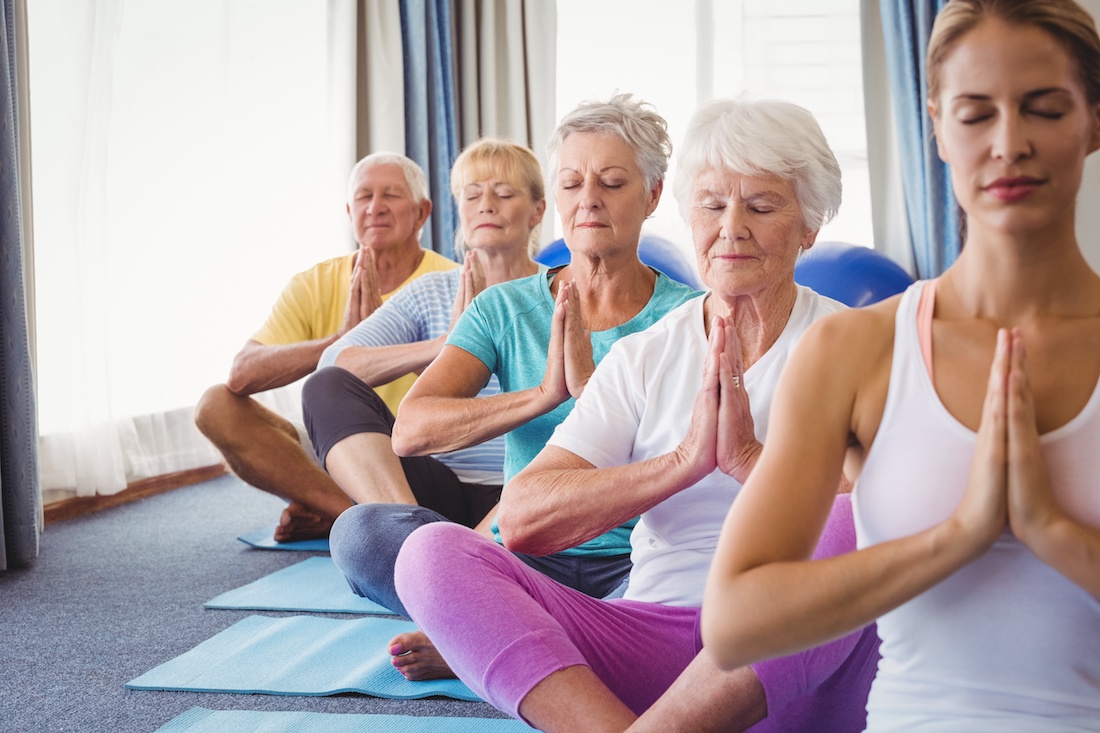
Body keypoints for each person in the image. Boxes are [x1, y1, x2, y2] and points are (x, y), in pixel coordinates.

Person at [392, 96, 881, 732]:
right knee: (428, 554)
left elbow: (893, 513)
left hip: (797, 652)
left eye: (761, 206)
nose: (731, 227)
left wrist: (748, 461)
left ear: (809, 227)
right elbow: (523, 521)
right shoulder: (646, 356)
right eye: (711, 205)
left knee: (855, 518)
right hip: (657, 637)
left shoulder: (861, 346)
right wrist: (681, 464)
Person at [702, 1, 1100, 730]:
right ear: (939, 127)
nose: (1009, 143)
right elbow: (733, 623)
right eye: (976, 113)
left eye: (1043, 108)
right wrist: (957, 536)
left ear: (1094, 120)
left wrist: (1051, 530)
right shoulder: (854, 351)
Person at [331, 93, 700, 677]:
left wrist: (592, 396)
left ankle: (490, 632)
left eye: (611, 182)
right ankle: (548, 630)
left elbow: (695, 456)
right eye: (573, 183)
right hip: (522, 556)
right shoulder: (505, 308)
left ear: (652, 196)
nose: (589, 200)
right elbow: (411, 431)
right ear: (555, 198)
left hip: (638, 561)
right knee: (360, 535)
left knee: (699, 592)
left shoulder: (690, 317)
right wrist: (543, 394)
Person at [302, 139, 548, 613]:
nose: (486, 206)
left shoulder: (560, 292)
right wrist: (444, 346)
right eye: (472, 195)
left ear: (537, 210)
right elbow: (334, 363)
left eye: (503, 193)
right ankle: (414, 543)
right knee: (325, 389)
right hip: (440, 495)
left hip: (529, 493)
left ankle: (447, 587)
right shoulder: (432, 293)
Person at [194, 153, 455, 542]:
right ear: (350, 211)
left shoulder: (449, 281)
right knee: (215, 405)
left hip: (418, 455)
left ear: (422, 212)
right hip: (336, 447)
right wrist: (342, 341)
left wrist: (386, 343)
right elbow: (242, 373)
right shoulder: (313, 282)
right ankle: (345, 512)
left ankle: (357, 512)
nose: (375, 207)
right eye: (364, 196)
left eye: (391, 195)